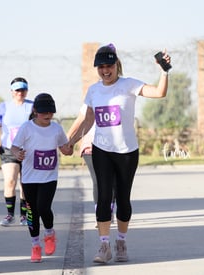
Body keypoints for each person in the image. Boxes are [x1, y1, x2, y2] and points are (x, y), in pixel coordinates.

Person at [66, 43, 171, 263]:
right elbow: (87, 119)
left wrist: (164, 71)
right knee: (104, 196)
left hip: (127, 152)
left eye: (109, 66)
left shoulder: (129, 85)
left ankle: (121, 241)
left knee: (123, 200)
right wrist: (71, 141)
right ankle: (104, 246)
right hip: (101, 149)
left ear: (117, 65)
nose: (105, 70)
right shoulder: (94, 90)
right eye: (100, 67)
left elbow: (160, 93)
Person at [11, 93, 73, 263]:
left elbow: (65, 148)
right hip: (30, 178)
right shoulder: (27, 128)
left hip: (49, 177)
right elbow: (14, 147)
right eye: (44, 112)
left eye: (51, 112)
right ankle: (35, 245)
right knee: (32, 211)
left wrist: (69, 150)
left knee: (44, 208)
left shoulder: (56, 128)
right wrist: (18, 154)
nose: (47, 115)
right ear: (35, 111)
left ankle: (49, 234)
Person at [0, 77, 33, 226]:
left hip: (28, 150)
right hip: (8, 150)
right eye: (17, 90)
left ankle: (24, 216)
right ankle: (10, 215)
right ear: (12, 92)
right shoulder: (3, 107)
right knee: (10, 180)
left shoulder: (32, 107)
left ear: (27, 91)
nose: (20, 93)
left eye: (23, 90)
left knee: (25, 184)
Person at [67, 104, 116, 226]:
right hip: (91, 145)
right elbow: (79, 122)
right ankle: (100, 215)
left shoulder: (117, 99)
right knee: (98, 180)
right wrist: (67, 141)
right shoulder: (92, 97)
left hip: (112, 145)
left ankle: (108, 212)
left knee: (112, 180)